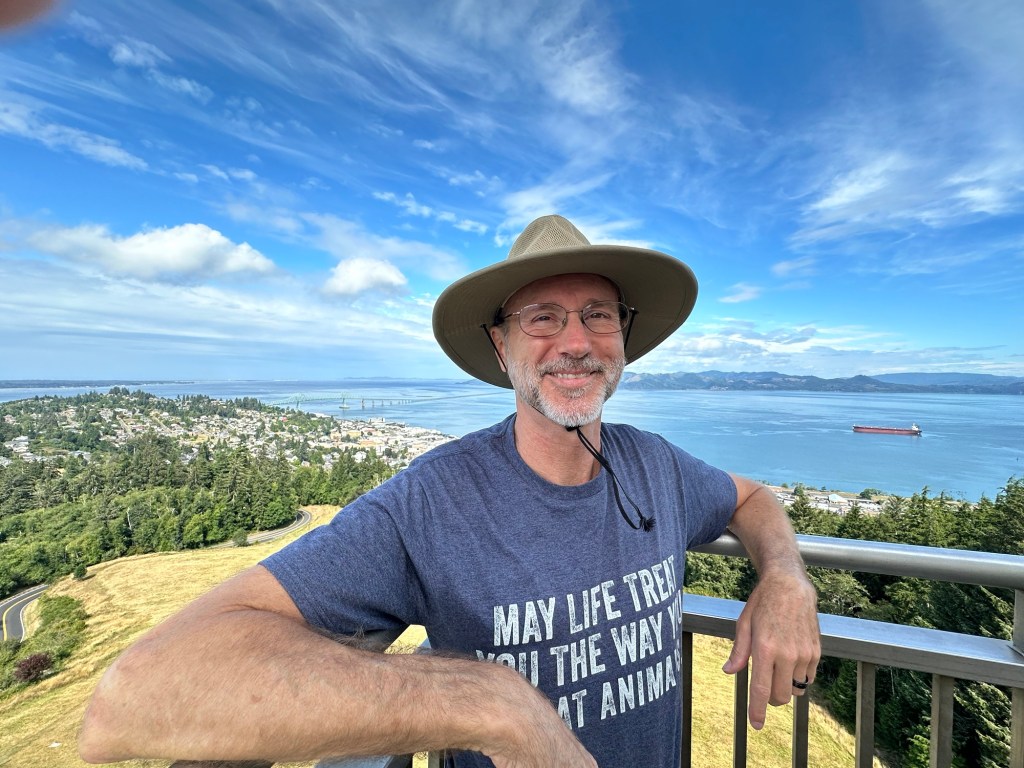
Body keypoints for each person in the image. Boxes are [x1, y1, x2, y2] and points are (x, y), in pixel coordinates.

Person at [79, 215, 821, 768]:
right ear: (501, 346)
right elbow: (133, 696)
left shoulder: (654, 463)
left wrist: (786, 577)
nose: (575, 341)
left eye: (598, 315)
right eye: (542, 318)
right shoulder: (432, 501)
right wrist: (491, 703)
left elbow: (750, 500)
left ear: (623, 339)